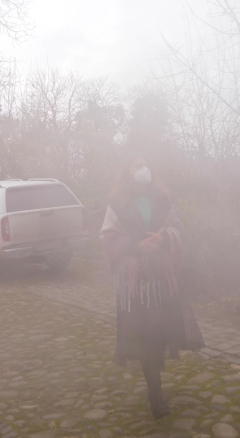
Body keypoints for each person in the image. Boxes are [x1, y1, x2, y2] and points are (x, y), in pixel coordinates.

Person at [99, 155, 204, 419]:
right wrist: (136, 247)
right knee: (145, 336)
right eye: (137, 165)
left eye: (145, 164)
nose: (142, 169)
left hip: (162, 281)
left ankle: (155, 376)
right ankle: (155, 395)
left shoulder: (162, 201)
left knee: (159, 334)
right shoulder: (117, 204)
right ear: (127, 171)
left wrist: (164, 238)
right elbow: (108, 238)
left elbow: (178, 230)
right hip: (135, 286)